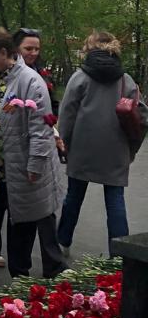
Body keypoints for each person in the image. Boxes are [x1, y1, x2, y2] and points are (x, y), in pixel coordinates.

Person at [0, 27, 64, 280]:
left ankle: (20, 280)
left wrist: (35, 165)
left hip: (23, 169)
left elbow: (41, 129)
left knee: (21, 227)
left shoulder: (31, 81)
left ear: (3, 53)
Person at [56, 31, 148, 257]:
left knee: (74, 197)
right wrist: (131, 150)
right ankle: (119, 257)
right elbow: (142, 118)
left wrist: (64, 143)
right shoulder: (126, 80)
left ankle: (62, 242)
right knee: (115, 201)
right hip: (116, 150)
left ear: (89, 48)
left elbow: (67, 114)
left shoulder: (80, 77)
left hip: (82, 148)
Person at [13, 27, 59, 116]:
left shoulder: (43, 74)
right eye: (28, 49)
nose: (34, 53)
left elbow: (53, 103)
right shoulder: (7, 74)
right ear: (16, 49)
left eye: (37, 49)